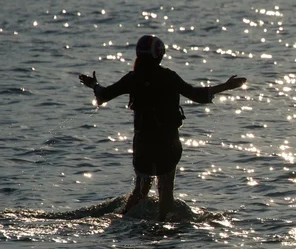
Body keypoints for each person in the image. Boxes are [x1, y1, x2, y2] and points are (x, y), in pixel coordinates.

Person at [79, 35, 247, 221]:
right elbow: (197, 95)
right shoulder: (168, 77)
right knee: (165, 191)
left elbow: (103, 96)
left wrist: (93, 85)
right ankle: (163, 228)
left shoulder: (132, 79)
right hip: (168, 145)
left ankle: (123, 220)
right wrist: (226, 86)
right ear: (159, 55)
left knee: (140, 190)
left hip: (142, 146)